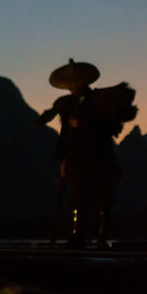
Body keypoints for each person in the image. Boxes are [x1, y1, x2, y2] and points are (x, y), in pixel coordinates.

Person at [36, 59, 137, 248]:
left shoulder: (101, 100)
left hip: (100, 158)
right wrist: (65, 159)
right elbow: (66, 135)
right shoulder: (68, 105)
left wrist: (84, 123)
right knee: (77, 199)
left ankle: (101, 239)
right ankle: (77, 238)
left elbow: (110, 126)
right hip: (77, 160)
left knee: (103, 200)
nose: (73, 87)